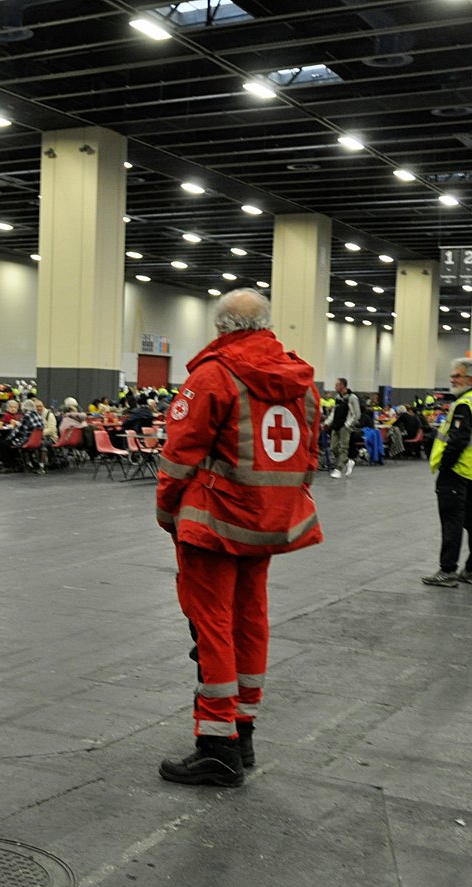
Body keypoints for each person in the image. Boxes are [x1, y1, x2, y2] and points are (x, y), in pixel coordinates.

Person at [154, 289, 323, 788]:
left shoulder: (213, 374)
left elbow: (179, 455)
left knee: (213, 627)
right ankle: (242, 733)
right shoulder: (302, 382)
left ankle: (216, 747)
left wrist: (167, 512)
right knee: (251, 622)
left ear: (222, 327)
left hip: (214, 521)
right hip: (268, 522)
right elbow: (309, 458)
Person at [422, 358, 472, 588]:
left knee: (452, 522)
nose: (452, 379)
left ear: (471, 379)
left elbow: (457, 441)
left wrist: (444, 466)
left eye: (457, 376)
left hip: (458, 471)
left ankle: (448, 571)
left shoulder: (465, 404)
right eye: (453, 375)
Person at [328, 377, 361, 477]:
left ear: (342, 386)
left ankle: (338, 469)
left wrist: (348, 425)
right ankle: (347, 461)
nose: (335, 387)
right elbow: (333, 412)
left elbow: (357, 414)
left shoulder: (352, 398)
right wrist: (327, 423)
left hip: (345, 427)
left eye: (337, 385)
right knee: (333, 448)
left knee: (343, 448)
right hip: (336, 426)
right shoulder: (337, 398)